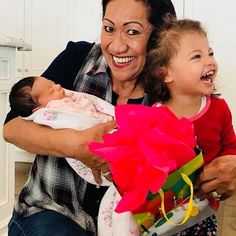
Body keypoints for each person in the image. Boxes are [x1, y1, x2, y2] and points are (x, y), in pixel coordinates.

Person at [3, 0, 177, 235]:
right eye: (109, 28)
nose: (116, 46)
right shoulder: (77, 57)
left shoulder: (170, 86)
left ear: (160, 36)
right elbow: (12, 128)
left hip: (129, 223)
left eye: (132, 31)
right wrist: (77, 145)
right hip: (49, 211)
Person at [144, 18, 236, 235]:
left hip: (205, 209)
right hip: (165, 214)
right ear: (166, 73)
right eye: (197, 56)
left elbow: (231, 146)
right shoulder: (153, 118)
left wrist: (224, 169)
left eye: (210, 53)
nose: (210, 61)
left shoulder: (219, 109)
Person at [9, 76, 114, 121]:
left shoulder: (61, 99)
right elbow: (82, 117)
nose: (58, 86)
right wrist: (107, 120)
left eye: (53, 83)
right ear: (39, 109)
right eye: (51, 91)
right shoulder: (56, 108)